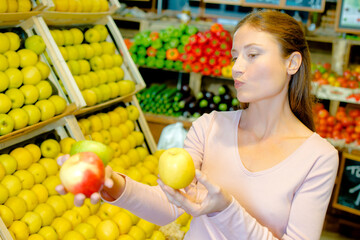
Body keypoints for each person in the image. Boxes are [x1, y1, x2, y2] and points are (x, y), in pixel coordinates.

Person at [57, 10, 339, 239]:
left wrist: (225, 209)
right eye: (235, 56)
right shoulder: (210, 127)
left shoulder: (318, 158)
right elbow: (169, 204)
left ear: (292, 63)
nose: (237, 67)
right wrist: (113, 185)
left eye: (252, 55)